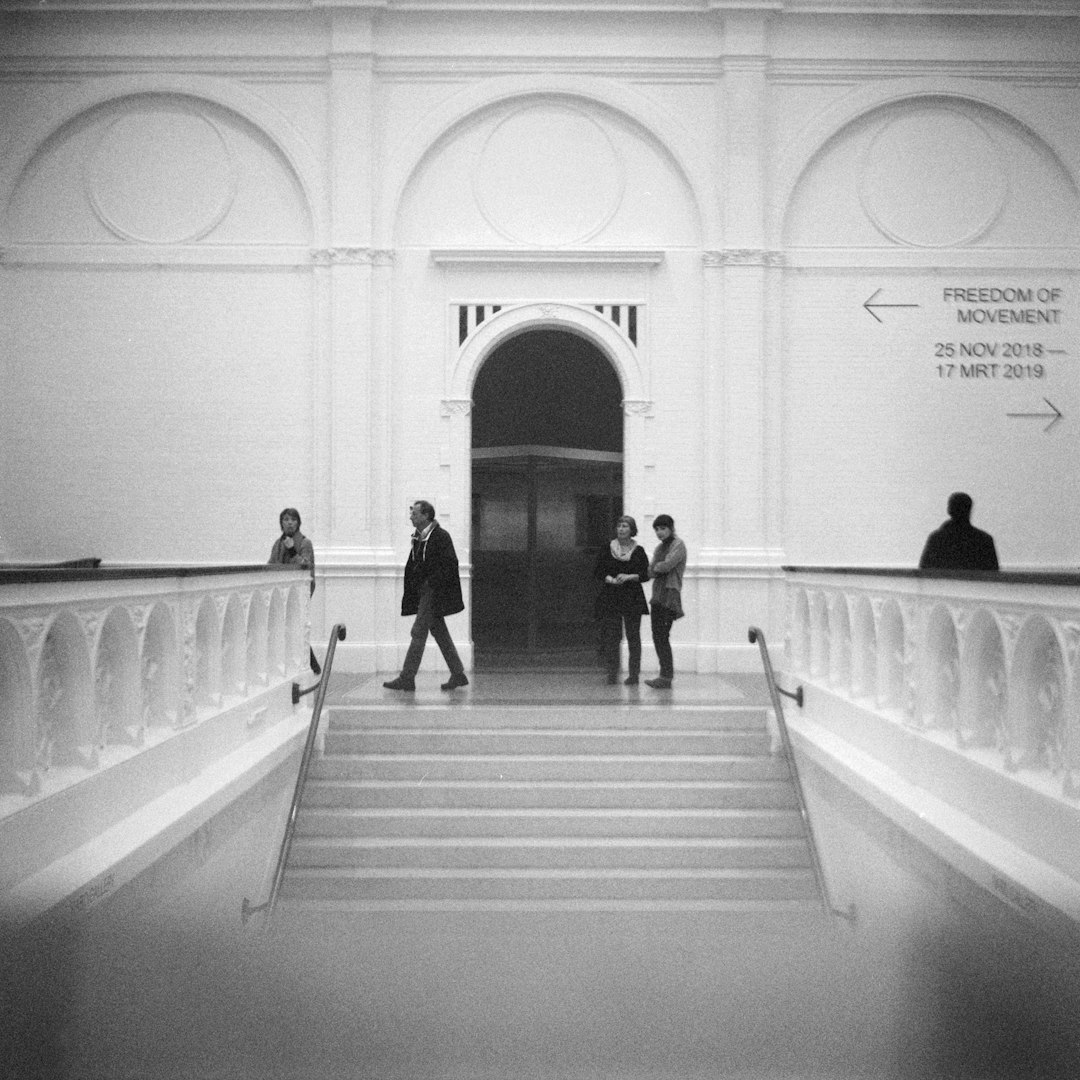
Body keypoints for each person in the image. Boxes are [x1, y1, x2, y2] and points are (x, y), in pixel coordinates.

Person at [384, 500, 469, 692]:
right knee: (439, 632)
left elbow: (449, 564)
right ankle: (458, 674)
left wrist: (431, 582)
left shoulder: (440, 536)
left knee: (418, 631)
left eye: (414, 513)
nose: (411, 516)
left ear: (425, 516)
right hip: (425, 591)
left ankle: (407, 677)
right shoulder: (419, 537)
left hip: (433, 592)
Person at [593, 515, 650, 685]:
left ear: (632, 530)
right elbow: (598, 571)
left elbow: (645, 574)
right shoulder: (607, 548)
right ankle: (612, 671)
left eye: (625, 526)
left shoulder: (639, 551)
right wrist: (609, 579)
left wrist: (629, 577)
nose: (621, 529)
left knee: (633, 636)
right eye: (619, 526)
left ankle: (633, 673)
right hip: (612, 596)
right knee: (612, 636)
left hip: (632, 596)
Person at [269, 507, 320, 674]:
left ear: (298, 523)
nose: (289, 523)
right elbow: (271, 565)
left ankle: (312, 665)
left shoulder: (305, 543)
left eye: (293, 520)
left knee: (297, 627)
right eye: (286, 519)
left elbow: (306, 567)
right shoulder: (277, 544)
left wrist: (292, 550)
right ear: (281, 523)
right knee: (285, 627)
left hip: (298, 593)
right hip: (280, 592)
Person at [644, 514, 687, 690]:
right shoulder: (659, 548)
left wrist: (657, 567)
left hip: (670, 595)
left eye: (662, 528)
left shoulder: (678, 545)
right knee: (657, 635)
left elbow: (666, 565)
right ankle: (664, 676)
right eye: (657, 530)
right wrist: (656, 567)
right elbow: (651, 572)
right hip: (657, 596)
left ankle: (666, 676)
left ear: (671, 528)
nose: (659, 533)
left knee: (662, 635)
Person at [919, 492, 999, 572]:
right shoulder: (984, 540)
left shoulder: (936, 538)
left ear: (949, 510)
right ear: (969, 510)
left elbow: (924, 572)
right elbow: (994, 574)